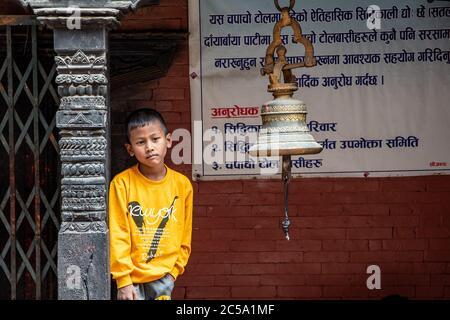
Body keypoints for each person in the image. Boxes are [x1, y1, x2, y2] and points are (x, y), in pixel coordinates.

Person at [109, 108, 193, 300]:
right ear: (130, 149)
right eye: (140, 142)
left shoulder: (182, 185)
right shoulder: (122, 184)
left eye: (155, 139)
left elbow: (185, 235)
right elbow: (118, 234)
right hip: (131, 281)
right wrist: (123, 280)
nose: (149, 147)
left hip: (165, 277)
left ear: (168, 140)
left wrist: (173, 272)